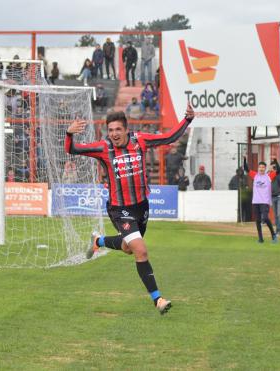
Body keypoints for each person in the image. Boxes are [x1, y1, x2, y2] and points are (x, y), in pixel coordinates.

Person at [65, 104, 195, 315]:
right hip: (119, 208)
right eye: (111, 130)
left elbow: (168, 137)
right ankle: (158, 299)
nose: (114, 134)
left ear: (126, 130)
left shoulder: (140, 141)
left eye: (118, 129)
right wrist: (69, 133)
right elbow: (72, 149)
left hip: (141, 206)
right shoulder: (103, 148)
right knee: (140, 250)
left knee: (128, 248)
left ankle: (98, 241)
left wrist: (187, 120)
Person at [243, 158, 278, 243]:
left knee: (265, 218)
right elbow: (246, 169)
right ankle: (260, 239)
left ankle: (273, 235)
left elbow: (278, 170)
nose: (261, 168)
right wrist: (244, 160)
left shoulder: (269, 176)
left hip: (265, 201)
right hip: (256, 201)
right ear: (258, 168)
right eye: (260, 167)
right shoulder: (255, 175)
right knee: (258, 220)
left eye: (263, 167)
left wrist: (276, 163)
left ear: (265, 168)